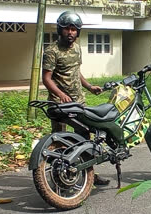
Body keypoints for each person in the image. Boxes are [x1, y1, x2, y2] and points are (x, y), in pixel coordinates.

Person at [42, 11, 109, 186]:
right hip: (59, 104)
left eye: (73, 29)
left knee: (85, 136)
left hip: (78, 102)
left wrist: (89, 86)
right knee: (59, 140)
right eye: (67, 29)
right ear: (60, 29)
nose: (70, 32)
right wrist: (61, 95)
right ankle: (57, 177)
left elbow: (75, 72)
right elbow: (46, 79)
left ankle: (89, 174)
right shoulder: (51, 51)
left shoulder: (77, 48)